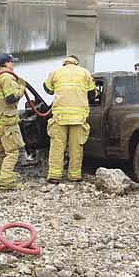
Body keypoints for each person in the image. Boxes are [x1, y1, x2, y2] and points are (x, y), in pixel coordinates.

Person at [43, 55, 97, 183]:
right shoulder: (85, 73)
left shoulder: (56, 72)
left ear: (65, 63)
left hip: (59, 116)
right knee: (76, 147)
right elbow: (92, 94)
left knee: (57, 146)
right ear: (77, 63)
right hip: (78, 117)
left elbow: (48, 89)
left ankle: (54, 176)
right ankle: (74, 176)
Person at [0, 53, 27, 190]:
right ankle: (6, 180)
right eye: (12, 62)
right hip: (7, 124)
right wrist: (21, 87)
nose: (13, 65)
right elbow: (11, 98)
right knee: (12, 152)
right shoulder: (7, 78)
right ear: (7, 63)